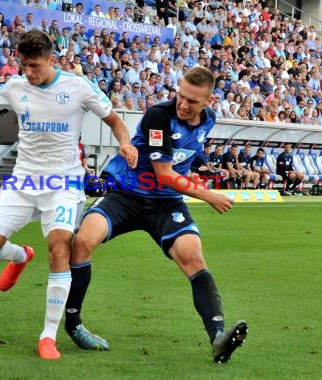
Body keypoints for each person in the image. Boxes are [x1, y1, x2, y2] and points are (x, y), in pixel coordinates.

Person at [0, 30, 137, 361]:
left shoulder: (77, 87)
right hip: (23, 182)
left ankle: (47, 337)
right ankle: (20, 256)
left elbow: (114, 120)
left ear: (51, 60)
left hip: (63, 184)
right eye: (23, 65)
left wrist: (125, 142)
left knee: (60, 248)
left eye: (34, 65)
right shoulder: (15, 87)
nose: (28, 72)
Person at [64, 66, 248, 364]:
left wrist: (199, 170)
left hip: (167, 205)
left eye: (192, 101)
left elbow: (185, 157)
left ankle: (218, 337)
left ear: (208, 100)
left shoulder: (209, 121)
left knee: (194, 257)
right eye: (181, 96)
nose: (184, 104)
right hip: (126, 194)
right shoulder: (158, 116)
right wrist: (208, 194)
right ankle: (73, 324)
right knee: (83, 240)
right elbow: (163, 174)